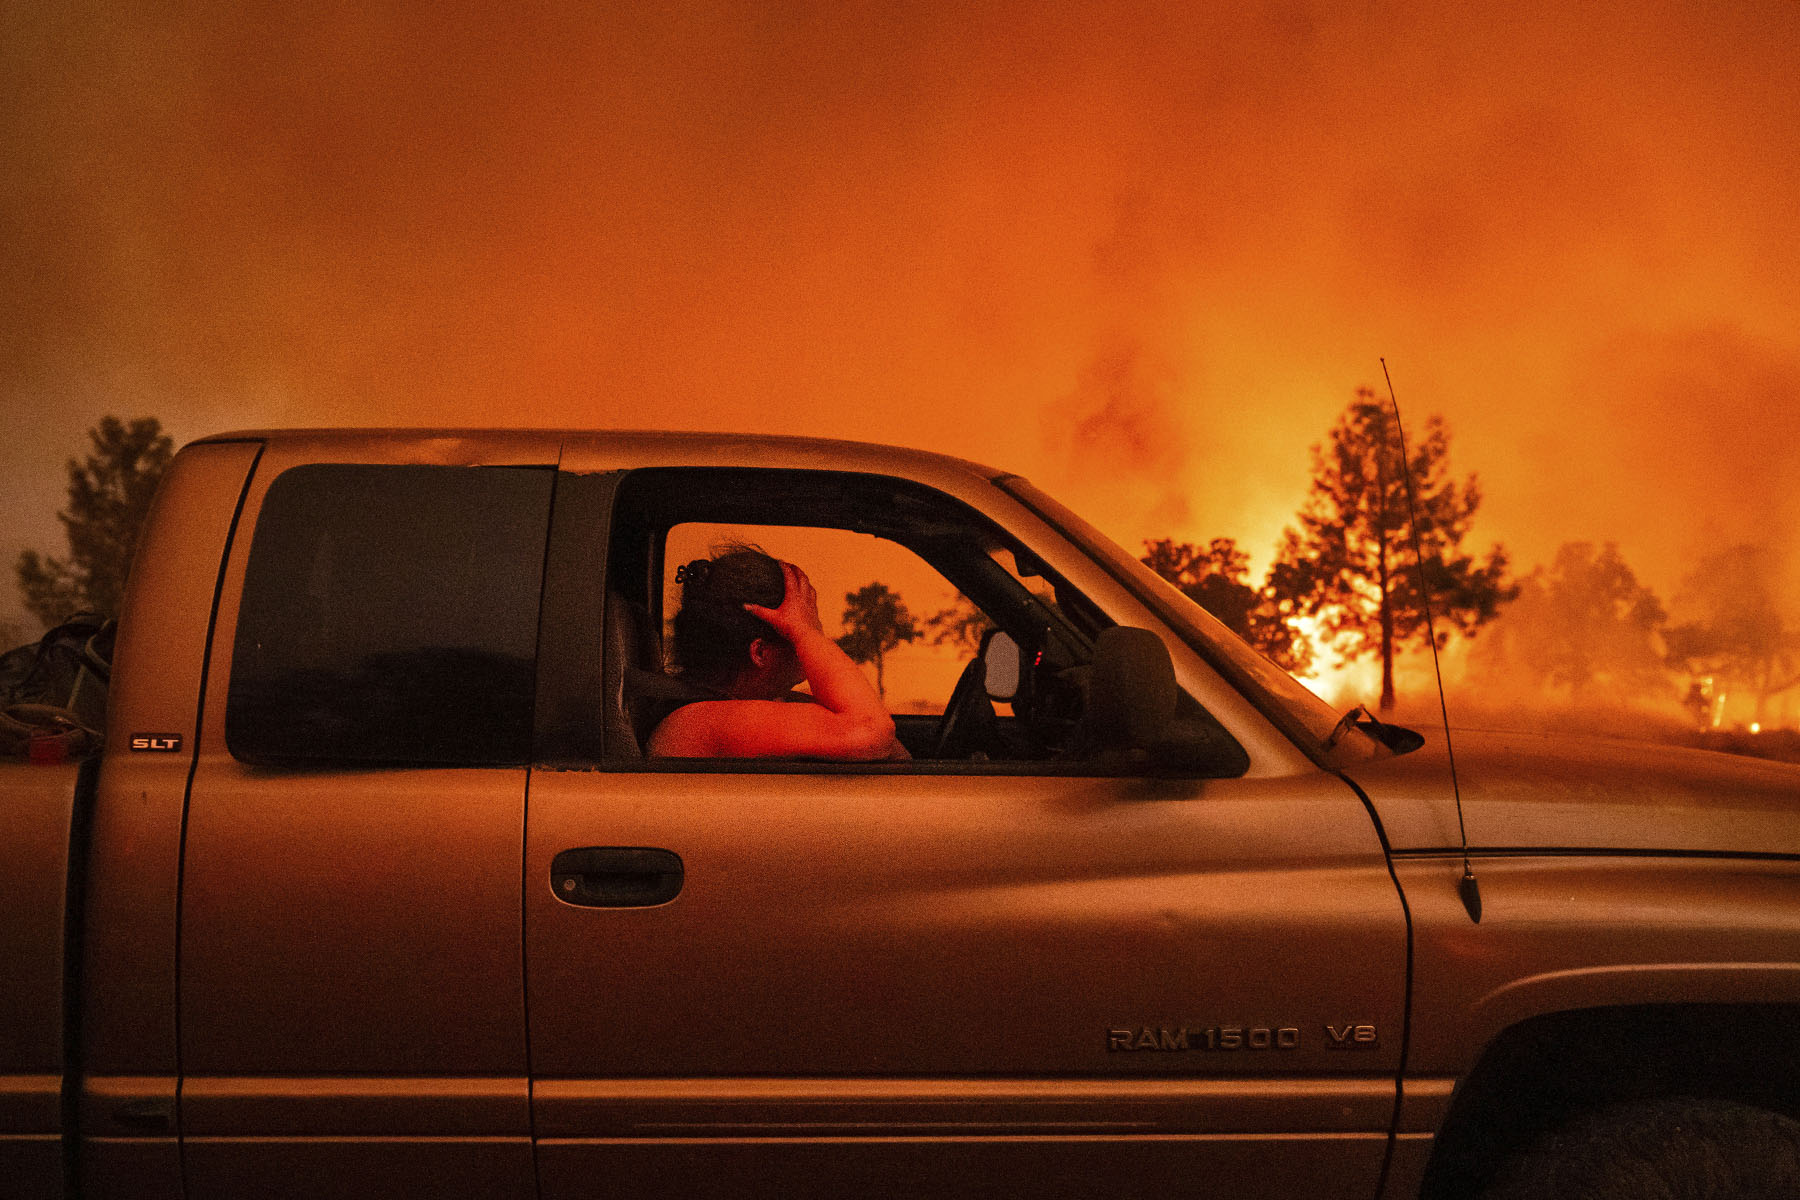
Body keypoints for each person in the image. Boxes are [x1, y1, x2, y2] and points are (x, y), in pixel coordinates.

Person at [647, 547, 909, 760]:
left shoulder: (761, 705)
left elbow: (897, 757)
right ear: (760, 652)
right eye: (805, 625)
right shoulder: (698, 723)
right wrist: (806, 632)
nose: (818, 638)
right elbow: (873, 730)